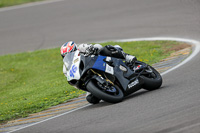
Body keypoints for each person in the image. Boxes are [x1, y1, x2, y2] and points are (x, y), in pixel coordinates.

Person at [60, 41, 137, 103]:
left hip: (100, 61)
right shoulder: (66, 68)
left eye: (70, 53)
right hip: (87, 75)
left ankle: (127, 57)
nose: (69, 56)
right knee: (91, 99)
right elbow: (72, 80)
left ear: (75, 49)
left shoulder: (81, 47)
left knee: (106, 49)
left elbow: (97, 46)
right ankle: (106, 89)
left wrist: (93, 49)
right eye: (66, 55)